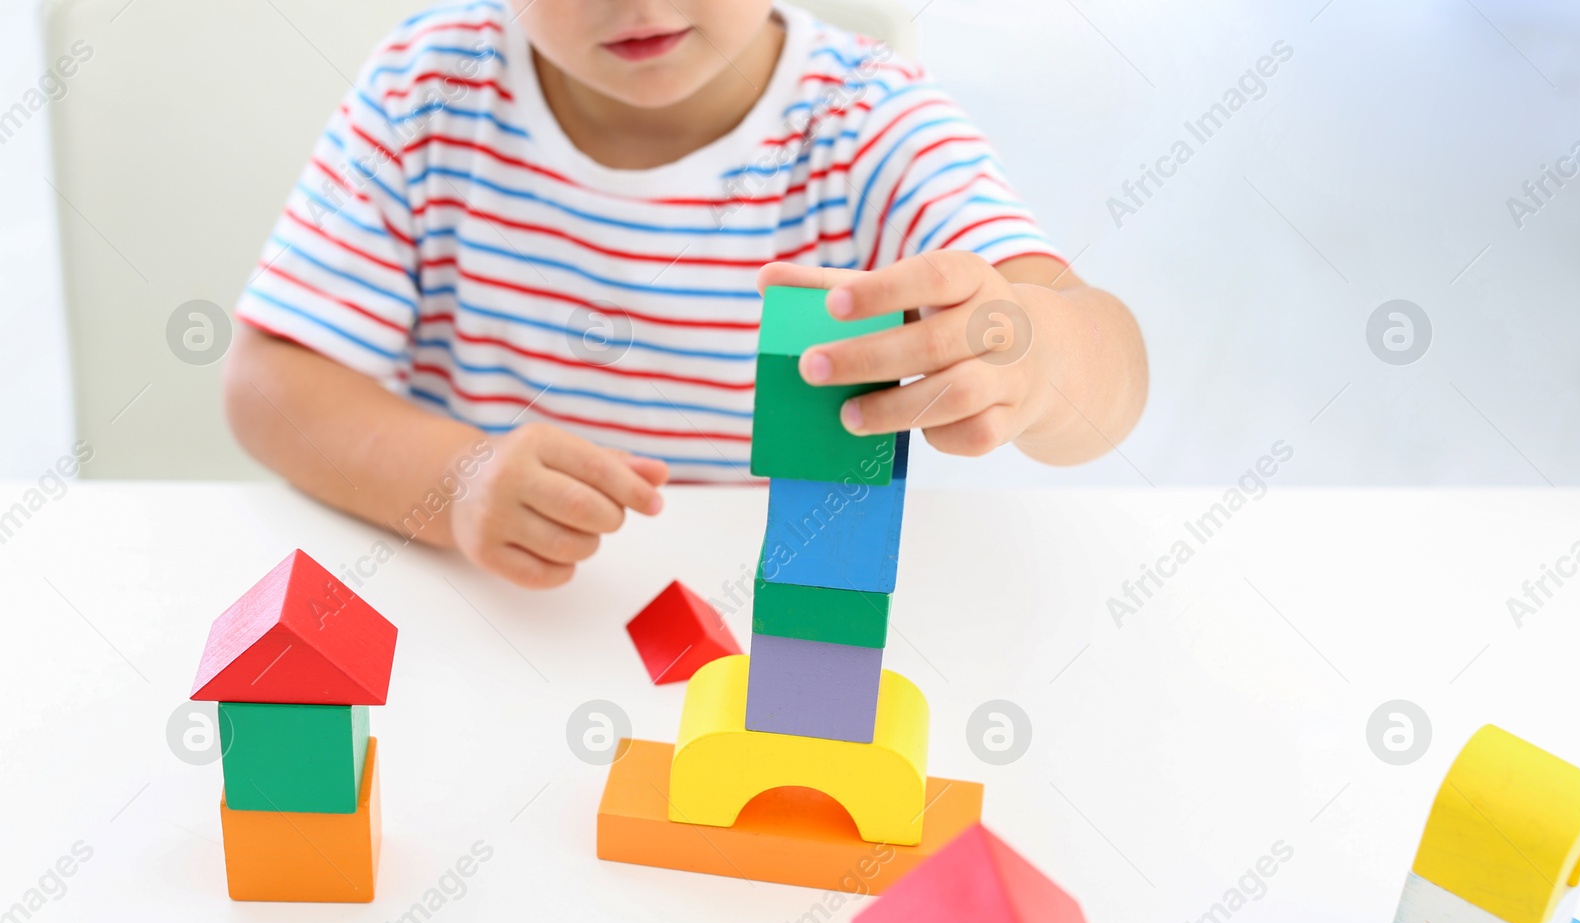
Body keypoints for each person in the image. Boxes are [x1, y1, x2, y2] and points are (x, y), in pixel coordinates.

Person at [223, 0, 1147, 588]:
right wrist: (457, 480)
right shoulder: (428, 89)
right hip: (488, 615)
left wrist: (1041, 353)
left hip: (767, 631)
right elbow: (272, 384)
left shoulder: (869, 122)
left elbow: (1107, 378)